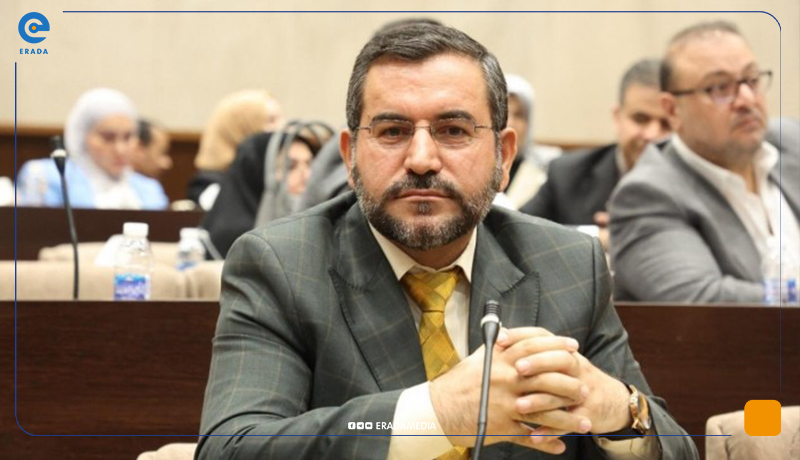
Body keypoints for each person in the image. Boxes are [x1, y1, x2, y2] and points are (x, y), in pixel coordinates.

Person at [197, 24, 697, 460]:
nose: (421, 159)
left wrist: (616, 409)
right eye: (392, 131)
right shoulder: (281, 265)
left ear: (503, 156)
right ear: (350, 157)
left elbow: (678, 447)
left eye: (453, 130)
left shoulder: (568, 264)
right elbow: (232, 446)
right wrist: (438, 413)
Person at [609, 21, 800, 303]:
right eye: (720, 88)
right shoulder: (647, 194)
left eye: (751, 80)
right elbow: (702, 301)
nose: (747, 100)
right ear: (672, 110)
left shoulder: (791, 141)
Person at [520, 59, 670, 249]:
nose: (652, 134)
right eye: (640, 119)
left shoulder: (696, 179)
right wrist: (601, 236)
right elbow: (518, 233)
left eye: (666, 123)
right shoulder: (567, 175)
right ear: (617, 117)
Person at [16, 88, 167, 209]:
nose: (120, 149)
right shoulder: (49, 176)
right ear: (82, 136)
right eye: (108, 137)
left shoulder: (150, 190)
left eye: (127, 137)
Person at [201, 130, 320, 257]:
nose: (307, 176)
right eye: (290, 167)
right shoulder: (238, 240)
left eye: (310, 165)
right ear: (258, 174)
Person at [187, 89, 285, 209]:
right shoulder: (211, 187)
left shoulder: (279, 175)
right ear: (241, 129)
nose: (282, 127)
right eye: (271, 120)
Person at [503, 74, 561, 209]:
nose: (510, 123)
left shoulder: (547, 169)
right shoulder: (476, 166)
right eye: (504, 113)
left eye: (519, 115)